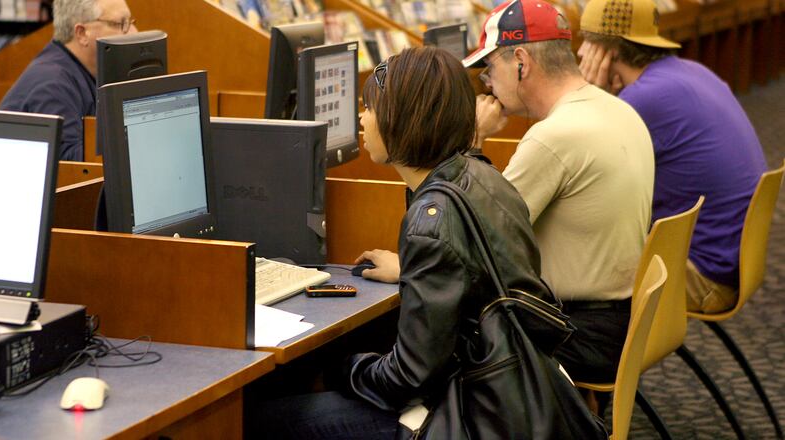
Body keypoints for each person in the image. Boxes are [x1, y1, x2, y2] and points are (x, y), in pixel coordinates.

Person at [254, 47, 603, 439]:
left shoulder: (432, 221)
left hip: (468, 415)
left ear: (402, 120)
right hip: (509, 389)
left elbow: (409, 378)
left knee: (265, 420)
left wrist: (345, 368)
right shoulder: (482, 175)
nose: (362, 119)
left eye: (370, 108)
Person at [463, 0, 654, 384]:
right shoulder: (617, 109)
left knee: (439, 342)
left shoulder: (554, 136)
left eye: (490, 69)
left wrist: (473, 139)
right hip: (624, 319)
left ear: (520, 61)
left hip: (576, 331)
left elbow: (473, 238)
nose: (488, 83)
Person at [577, 0, 767, 314]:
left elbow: (581, 167)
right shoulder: (691, 71)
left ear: (607, 51)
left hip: (703, 275)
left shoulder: (642, 99)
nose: (581, 53)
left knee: (569, 272)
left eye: (587, 42)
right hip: (730, 258)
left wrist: (590, 95)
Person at [0, 0, 136, 161]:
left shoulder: (78, 69)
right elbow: (71, 168)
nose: (134, 32)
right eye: (121, 24)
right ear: (82, 33)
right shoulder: (52, 85)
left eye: (131, 22)